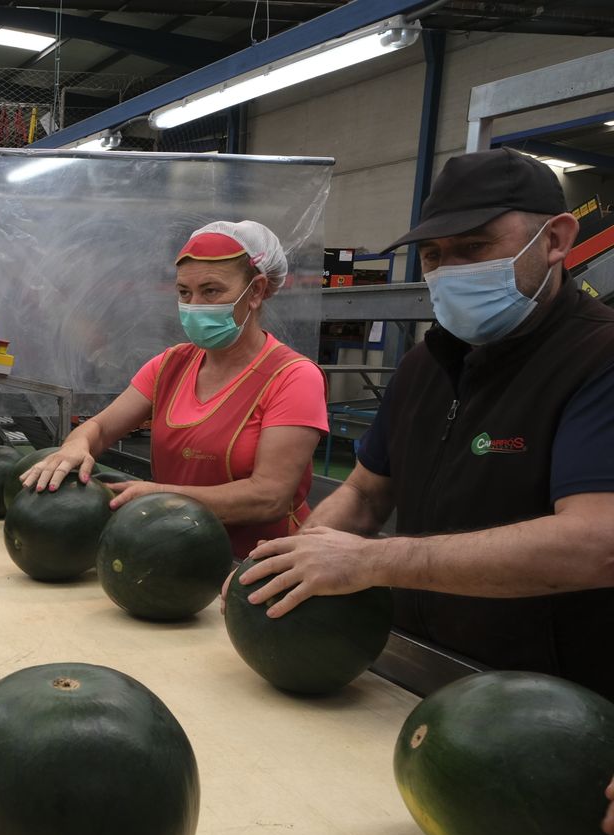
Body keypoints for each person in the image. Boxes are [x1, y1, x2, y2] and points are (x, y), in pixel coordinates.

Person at [236, 150, 614, 703]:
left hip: (550, 704)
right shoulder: (426, 364)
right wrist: (290, 564)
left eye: (474, 248)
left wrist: (373, 560)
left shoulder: (599, 358)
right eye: (434, 255)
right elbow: (366, 492)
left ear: (556, 240)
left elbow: (595, 543)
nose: (449, 270)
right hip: (416, 674)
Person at [20, 220, 328, 559]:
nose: (194, 304)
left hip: (255, 566)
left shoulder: (293, 378)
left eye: (211, 291)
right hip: (170, 553)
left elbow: (269, 497)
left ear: (255, 291)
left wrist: (160, 496)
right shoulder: (170, 365)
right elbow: (101, 427)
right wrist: (75, 445)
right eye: (184, 292)